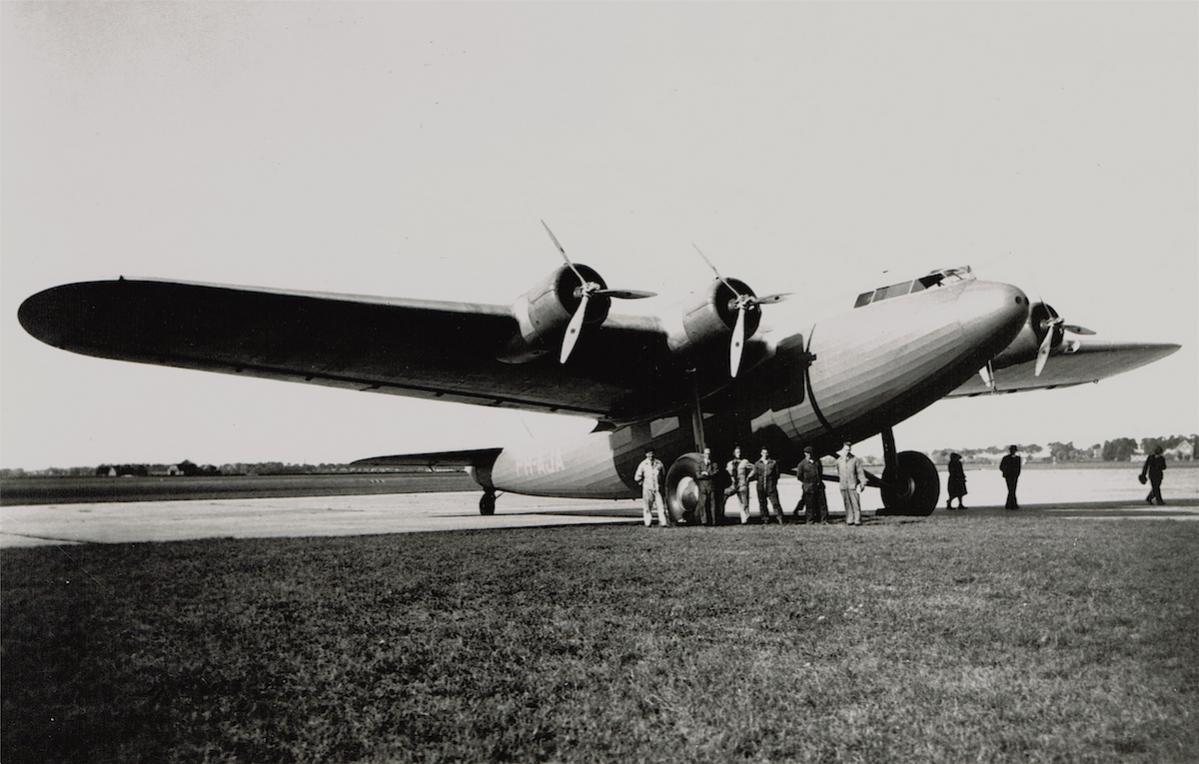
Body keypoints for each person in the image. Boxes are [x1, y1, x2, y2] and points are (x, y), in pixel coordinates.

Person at [634, 448, 669, 527]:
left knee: (660, 505)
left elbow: (663, 473)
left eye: (652, 453)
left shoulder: (659, 463)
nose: (651, 455)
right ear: (646, 455)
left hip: (657, 487)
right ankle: (647, 522)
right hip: (647, 487)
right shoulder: (643, 464)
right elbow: (637, 476)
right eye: (649, 453)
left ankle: (663, 522)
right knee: (647, 506)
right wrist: (642, 483)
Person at [836, 441, 868, 526]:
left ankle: (857, 520)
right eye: (846, 449)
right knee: (847, 503)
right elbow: (838, 472)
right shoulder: (839, 460)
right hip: (843, 486)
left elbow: (860, 472)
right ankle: (849, 519)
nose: (847, 451)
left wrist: (862, 482)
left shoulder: (855, 459)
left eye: (849, 449)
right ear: (843, 449)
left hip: (853, 485)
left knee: (855, 503)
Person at [796, 446, 828, 524]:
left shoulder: (817, 462)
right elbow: (799, 476)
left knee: (822, 504)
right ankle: (810, 520)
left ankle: (823, 520)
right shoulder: (802, 464)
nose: (809, 455)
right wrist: (806, 482)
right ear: (805, 454)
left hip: (818, 486)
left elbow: (820, 473)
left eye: (810, 453)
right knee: (810, 505)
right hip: (809, 487)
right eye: (807, 453)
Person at [754, 447, 785, 525]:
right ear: (761, 453)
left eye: (766, 453)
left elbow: (777, 475)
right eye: (763, 453)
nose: (765, 454)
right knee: (762, 503)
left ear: (768, 454)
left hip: (771, 486)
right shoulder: (757, 464)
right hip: (761, 487)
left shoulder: (773, 463)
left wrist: (773, 483)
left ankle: (779, 518)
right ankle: (765, 519)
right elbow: (756, 475)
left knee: (775, 503)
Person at [726, 446, 754, 524]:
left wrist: (748, 477)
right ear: (734, 453)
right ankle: (743, 518)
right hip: (734, 484)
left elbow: (753, 468)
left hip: (742, 483)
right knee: (739, 501)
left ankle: (747, 517)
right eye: (737, 452)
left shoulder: (744, 462)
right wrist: (731, 478)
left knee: (744, 501)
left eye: (740, 452)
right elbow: (728, 471)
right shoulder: (730, 463)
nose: (739, 453)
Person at [695, 447, 720, 525]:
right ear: (703, 454)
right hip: (702, 486)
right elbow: (698, 475)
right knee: (703, 503)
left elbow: (716, 473)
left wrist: (706, 473)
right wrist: (706, 474)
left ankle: (714, 521)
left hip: (711, 486)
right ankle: (704, 521)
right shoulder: (699, 464)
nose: (707, 455)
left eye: (709, 454)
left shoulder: (714, 464)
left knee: (713, 504)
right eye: (706, 453)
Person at [999, 445, 1021, 509]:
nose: (1013, 451)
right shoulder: (1005, 458)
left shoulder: (1017, 458)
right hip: (1008, 476)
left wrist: (1017, 474)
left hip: (1014, 476)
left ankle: (1010, 504)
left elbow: (1019, 468)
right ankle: (1012, 504)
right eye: (1012, 450)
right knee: (1011, 490)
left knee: (1012, 490)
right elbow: (1001, 467)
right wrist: (1006, 471)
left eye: (1014, 450)